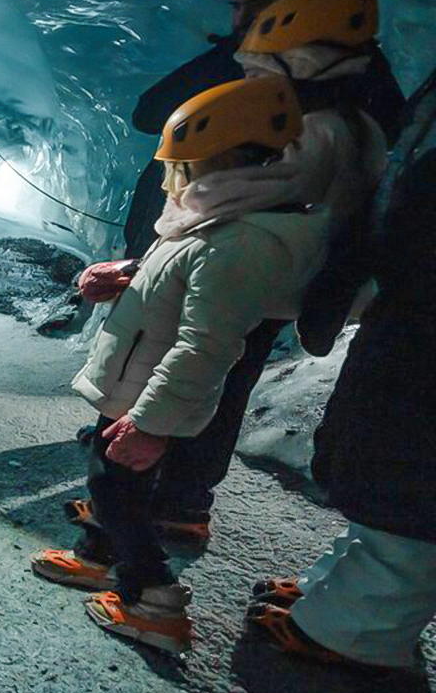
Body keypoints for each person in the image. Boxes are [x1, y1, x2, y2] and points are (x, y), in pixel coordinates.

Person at [72, 0, 404, 543]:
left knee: (191, 361)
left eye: (245, 8)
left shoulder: (303, 93)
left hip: (242, 258)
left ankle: (147, 508)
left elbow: (215, 173)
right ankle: (170, 500)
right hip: (261, 258)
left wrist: (152, 260)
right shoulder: (350, 81)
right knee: (215, 366)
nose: (239, 21)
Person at [33, 75, 331, 654]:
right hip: (135, 384)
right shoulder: (217, 219)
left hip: (150, 396)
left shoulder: (239, 241)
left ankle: (153, 601)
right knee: (112, 481)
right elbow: (177, 274)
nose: (174, 181)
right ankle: (99, 557)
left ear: (225, 164)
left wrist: (151, 424)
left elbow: (206, 346)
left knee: (115, 484)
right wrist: (127, 274)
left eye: (183, 166)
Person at [247, 88, 436, 669]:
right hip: (413, 311)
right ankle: (342, 590)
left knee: (415, 469)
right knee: (385, 447)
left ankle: (360, 630)